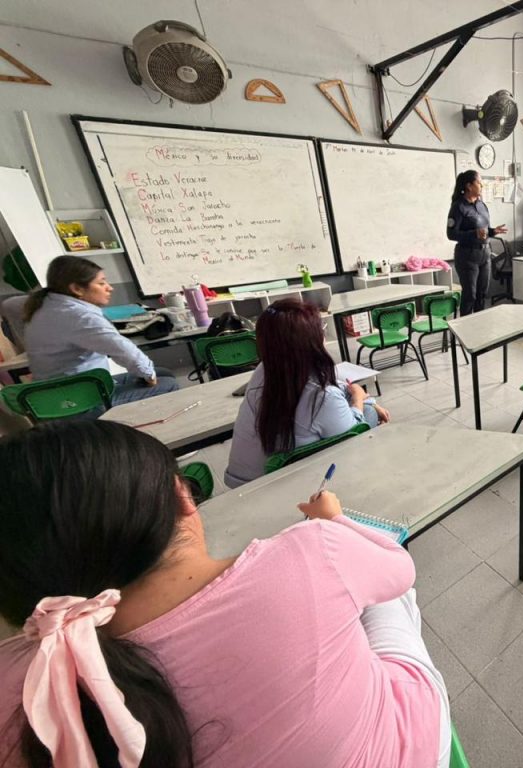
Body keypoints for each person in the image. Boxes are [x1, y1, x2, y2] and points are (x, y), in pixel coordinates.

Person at [0, 421, 450, 768]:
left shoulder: (20, 688)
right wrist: (334, 523)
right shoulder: (312, 550)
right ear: (182, 496)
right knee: (388, 595)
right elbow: (399, 570)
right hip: (405, 753)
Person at [225, 299, 390, 488]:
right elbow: (354, 430)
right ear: (310, 341)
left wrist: (367, 400)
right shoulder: (321, 396)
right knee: (367, 414)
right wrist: (361, 399)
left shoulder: (266, 368)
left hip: (239, 480)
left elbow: (337, 385)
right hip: (271, 488)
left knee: (358, 407)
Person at [22, 255, 178, 405]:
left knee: (163, 373)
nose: (110, 288)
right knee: (168, 384)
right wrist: (149, 376)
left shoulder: (47, 305)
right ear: (77, 289)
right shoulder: (78, 315)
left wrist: (148, 374)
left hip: (56, 393)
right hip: (75, 402)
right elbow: (122, 349)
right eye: (101, 283)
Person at [446, 170, 507, 316]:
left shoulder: (482, 205)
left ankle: (479, 326)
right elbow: (451, 234)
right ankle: (464, 327)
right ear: (469, 186)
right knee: (470, 295)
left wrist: (493, 231)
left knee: (482, 294)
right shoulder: (458, 207)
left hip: (485, 255)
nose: (482, 186)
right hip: (467, 256)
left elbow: (484, 231)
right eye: (479, 183)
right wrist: (474, 234)